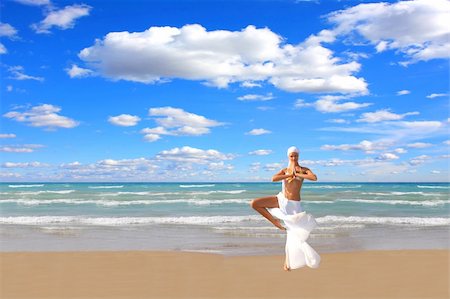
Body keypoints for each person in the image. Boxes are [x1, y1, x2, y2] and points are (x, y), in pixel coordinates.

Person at [250, 146, 319, 270]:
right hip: (282, 199)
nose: (293, 158)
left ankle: (288, 263)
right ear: (288, 156)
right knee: (255, 203)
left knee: (293, 234)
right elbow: (273, 178)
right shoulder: (284, 170)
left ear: (298, 156)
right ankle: (275, 222)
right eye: (291, 156)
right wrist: (288, 175)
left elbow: (314, 178)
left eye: (295, 155)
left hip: (294, 205)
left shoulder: (304, 170)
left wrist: (297, 174)